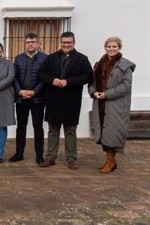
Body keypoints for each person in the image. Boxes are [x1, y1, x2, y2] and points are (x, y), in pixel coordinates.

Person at [38, 32, 92, 170]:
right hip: (53, 99)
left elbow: (87, 76)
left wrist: (68, 81)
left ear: (74, 43)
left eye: (69, 42)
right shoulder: (51, 58)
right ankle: (50, 157)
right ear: (60, 42)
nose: (66, 45)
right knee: (52, 131)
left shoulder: (82, 59)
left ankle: (71, 159)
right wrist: (53, 80)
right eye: (64, 42)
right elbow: (41, 74)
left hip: (71, 100)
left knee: (70, 131)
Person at [89, 37, 135, 173]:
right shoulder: (98, 64)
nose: (111, 49)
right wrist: (94, 93)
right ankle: (110, 161)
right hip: (100, 105)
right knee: (104, 134)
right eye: (109, 46)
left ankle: (110, 162)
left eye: (114, 46)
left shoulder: (125, 65)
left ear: (119, 48)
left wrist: (107, 94)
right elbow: (91, 83)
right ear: (105, 48)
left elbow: (126, 86)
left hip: (116, 106)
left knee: (112, 135)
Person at [9, 33, 47, 164]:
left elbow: (45, 79)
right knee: (21, 126)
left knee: (38, 127)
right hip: (21, 99)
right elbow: (14, 77)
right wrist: (19, 91)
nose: (30, 44)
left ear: (38, 43)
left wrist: (34, 92)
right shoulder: (19, 58)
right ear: (24, 44)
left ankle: (39, 155)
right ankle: (19, 153)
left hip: (37, 99)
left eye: (33, 42)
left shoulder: (45, 58)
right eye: (28, 42)